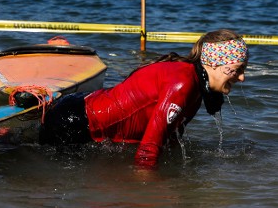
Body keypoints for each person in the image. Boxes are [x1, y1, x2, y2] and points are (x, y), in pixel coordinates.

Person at [39, 29, 248, 169]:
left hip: (83, 104)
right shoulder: (183, 83)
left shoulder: (196, 84)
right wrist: (147, 190)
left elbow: (171, 136)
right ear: (213, 64)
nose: (242, 77)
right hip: (72, 121)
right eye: (238, 70)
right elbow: (148, 148)